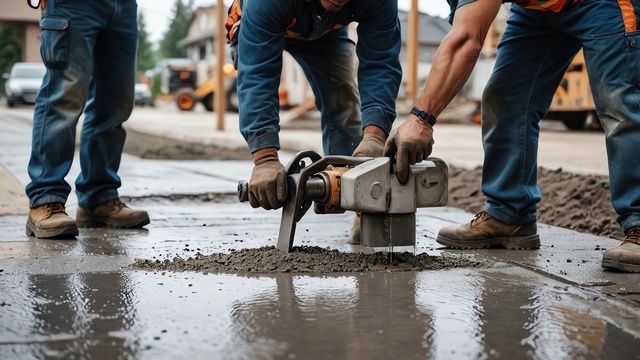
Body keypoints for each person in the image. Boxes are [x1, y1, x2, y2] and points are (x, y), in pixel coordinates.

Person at [384, 0, 640, 272]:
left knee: (619, 105)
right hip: (537, 9)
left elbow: (466, 39)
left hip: (601, 4)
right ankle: (509, 214)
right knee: (506, 98)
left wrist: (421, 118)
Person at [230, 0, 402, 243]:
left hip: (326, 31)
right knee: (255, 72)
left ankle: (361, 196)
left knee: (343, 98)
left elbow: (381, 62)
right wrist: (265, 158)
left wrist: (375, 135)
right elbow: (257, 76)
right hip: (261, 22)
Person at [25, 0, 149, 239]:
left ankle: (98, 197)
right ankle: (45, 198)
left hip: (122, 7)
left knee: (115, 102)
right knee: (64, 95)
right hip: (72, 5)